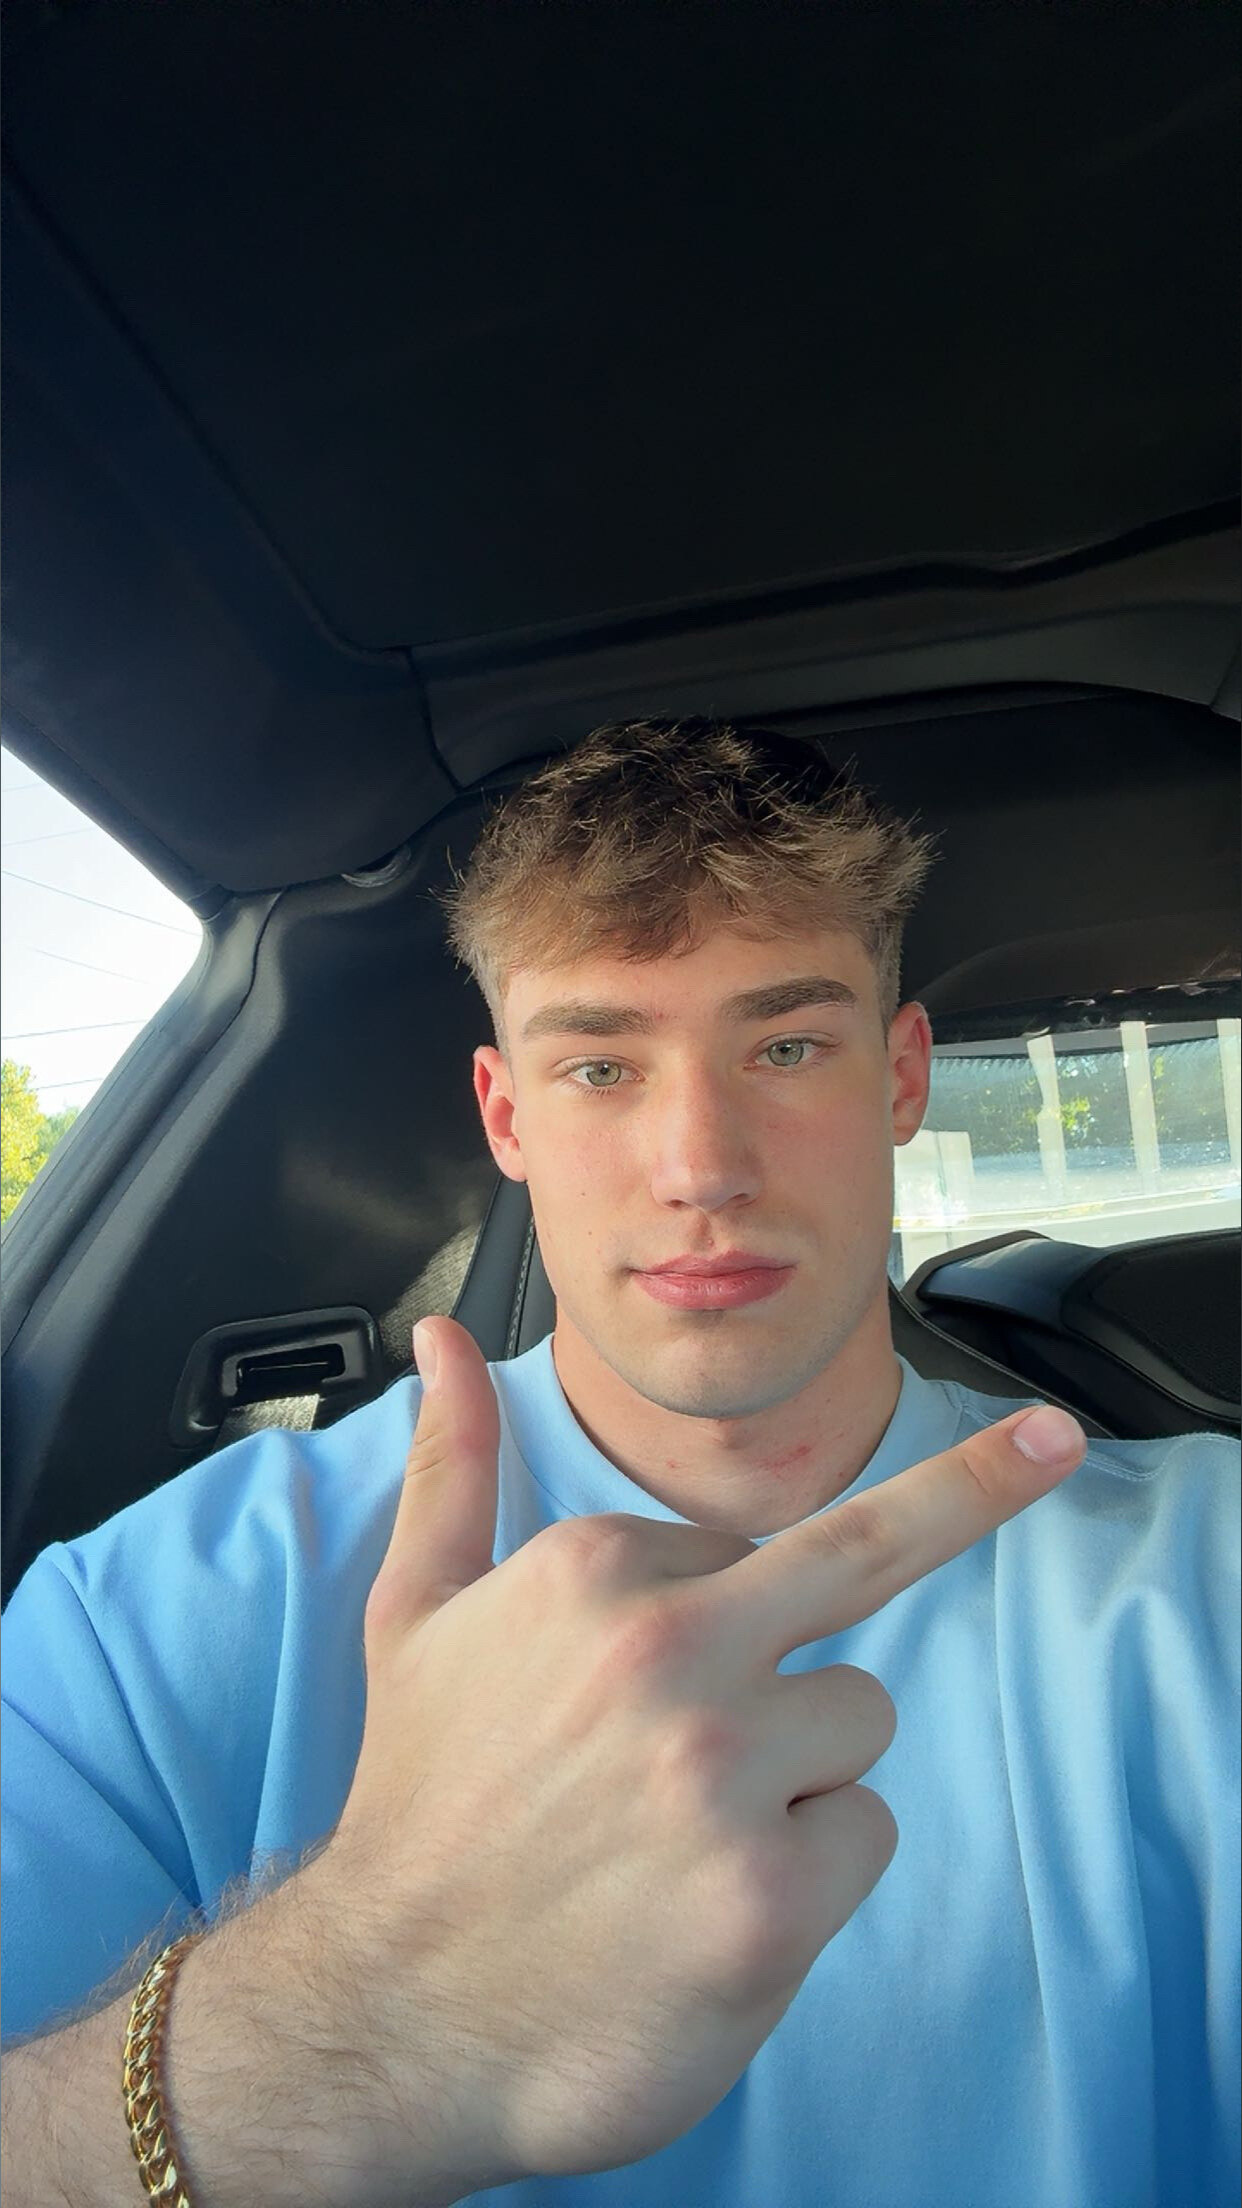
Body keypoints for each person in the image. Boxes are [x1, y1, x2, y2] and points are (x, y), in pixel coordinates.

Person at [1, 718, 1237, 2208]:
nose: (700, 1164)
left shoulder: (1210, 1571)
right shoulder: (136, 1627)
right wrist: (356, 2020)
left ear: (901, 1076)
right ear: (506, 1115)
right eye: (599, 1066)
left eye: (787, 1046)